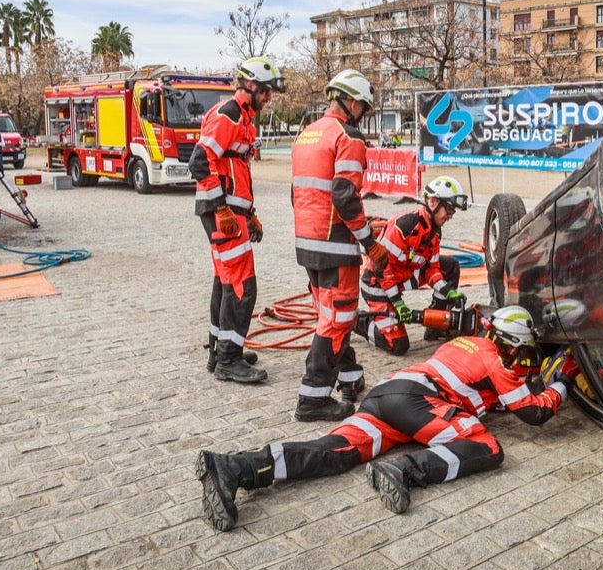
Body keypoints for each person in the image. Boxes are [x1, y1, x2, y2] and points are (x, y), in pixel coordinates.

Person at [196, 305, 577, 530]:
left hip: (386, 397)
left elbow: (490, 392)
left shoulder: (472, 345)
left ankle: (236, 467)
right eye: (522, 351)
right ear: (511, 344)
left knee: (333, 451)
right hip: (416, 402)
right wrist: (562, 383)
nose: (523, 360)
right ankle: (405, 471)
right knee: (485, 445)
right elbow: (533, 412)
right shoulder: (497, 359)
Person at [290, 69, 386, 421]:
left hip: (307, 241)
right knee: (338, 319)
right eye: (364, 107)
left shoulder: (307, 134)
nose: (363, 114)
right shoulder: (349, 136)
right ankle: (312, 397)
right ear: (354, 102)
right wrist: (369, 241)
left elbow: (298, 192)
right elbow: (345, 197)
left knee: (331, 315)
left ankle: (350, 377)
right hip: (336, 243)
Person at [190, 56, 285, 384]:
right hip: (222, 212)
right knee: (242, 284)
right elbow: (200, 162)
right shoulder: (230, 114)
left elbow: (235, 171)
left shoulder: (242, 118)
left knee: (226, 281)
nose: (269, 97)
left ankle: (221, 351)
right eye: (267, 91)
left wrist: (249, 213)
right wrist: (222, 209)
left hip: (231, 211)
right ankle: (229, 360)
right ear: (252, 85)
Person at [359, 175, 469, 355]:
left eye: (452, 212)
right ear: (433, 202)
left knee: (449, 266)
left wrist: (448, 291)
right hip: (377, 284)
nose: (450, 216)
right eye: (449, 209)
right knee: (398, 346)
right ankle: (360, 322)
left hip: (403, 275)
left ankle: (436, 327)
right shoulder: (404, 226)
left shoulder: (434, 232)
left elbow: (433, 269)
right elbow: (382, 271)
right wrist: (398, 303)